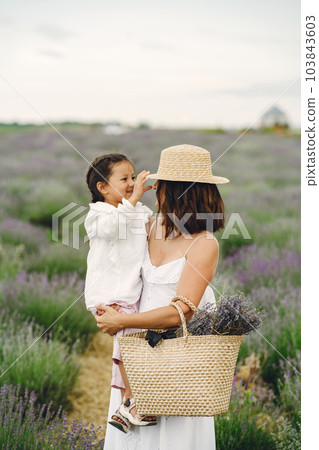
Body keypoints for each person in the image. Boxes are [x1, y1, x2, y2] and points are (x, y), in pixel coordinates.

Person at [96, 144, 230, 450]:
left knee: (173, 437)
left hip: (179, 359)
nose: (154, 190)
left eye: (162, 185)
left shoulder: (204, 243)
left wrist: (124, 320)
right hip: (141, 358)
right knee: (136, 431)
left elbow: (183, 310)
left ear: (179, 192)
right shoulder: (151, 225)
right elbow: (110, 252)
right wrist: (104, 303)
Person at [84, 153, 157, 432]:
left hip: (131, 291)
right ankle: (131, 400)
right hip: (110, 293)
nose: (131, 182)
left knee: (136, 345)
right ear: (103, 187)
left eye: (133, 176)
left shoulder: (137, 210)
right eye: (124, 178)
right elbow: (114, 229)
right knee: (129, 346)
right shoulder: (98, 214)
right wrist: (135, 198)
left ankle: (123, 410)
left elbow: (153, 229)